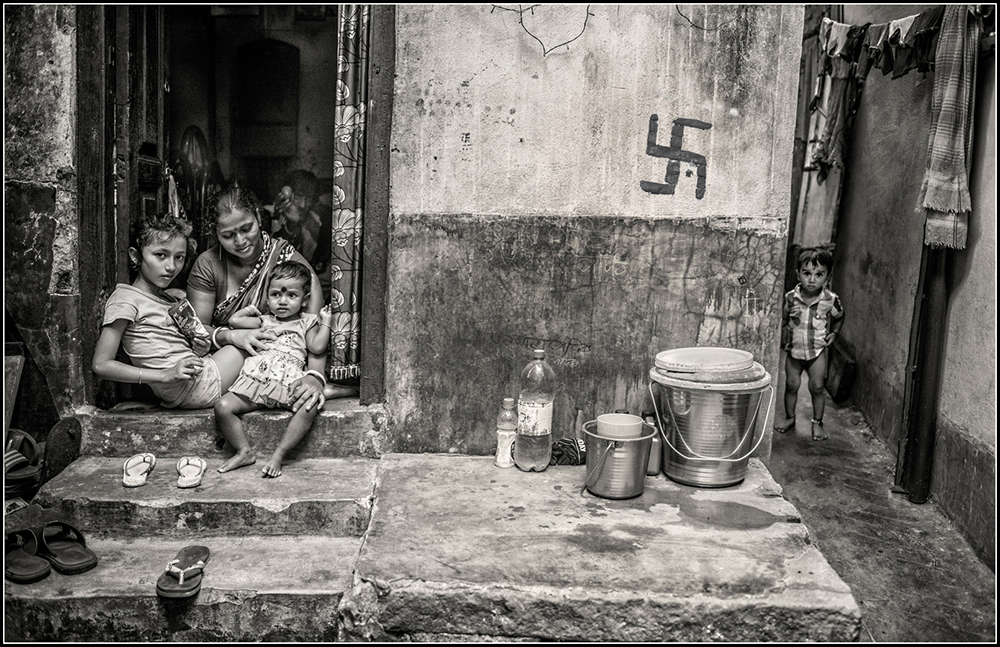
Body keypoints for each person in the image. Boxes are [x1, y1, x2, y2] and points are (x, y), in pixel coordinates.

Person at [186, 183, 341, 410]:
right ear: (215, 233)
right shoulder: (208, 265)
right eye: (228, 235)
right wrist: (232, 336)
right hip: (222, 360)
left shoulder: (289, 263)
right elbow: (196, 331)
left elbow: (309, 327)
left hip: (279, 368)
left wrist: (315, 377)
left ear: (258, 217)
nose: (240, 241)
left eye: (246, 228)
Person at [92, 213, 247, 408]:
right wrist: (164, 375)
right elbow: (101, 364)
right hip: (194, 387)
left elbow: (177, 350)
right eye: (160, 255)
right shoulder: (126, 300)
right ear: (135, 256)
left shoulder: (172, 300)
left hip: (194, 377)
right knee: (256, 345)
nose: (171, 266)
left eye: (179, 257)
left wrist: (199, 348)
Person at [213, 261, 333, 477]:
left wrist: (325, 322)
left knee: (309, 406)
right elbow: (235, 320)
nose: (283, 301)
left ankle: (279, 454)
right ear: (267, 298)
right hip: (257, 383)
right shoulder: (263, 321)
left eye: (292, 295)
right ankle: (244, 451)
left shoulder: (306, 322)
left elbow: (317, 346)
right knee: (222, 406)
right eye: (276, 294)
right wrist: (252, 309)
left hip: (290, 384)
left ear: (305, 300)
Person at [775, 247, 844, 441]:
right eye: (807, 273)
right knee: (791, 385)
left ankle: (817, 423)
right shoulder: (790, 297)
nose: (812, 280)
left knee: (817, 387)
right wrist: (787, 319)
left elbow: (840, 317)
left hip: (817, 351)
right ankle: (790, 418)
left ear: (827, 277)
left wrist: (834, 333)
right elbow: (781, 320)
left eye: (819, 274)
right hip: (794, 351)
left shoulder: (830, 300)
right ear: (798, 274)